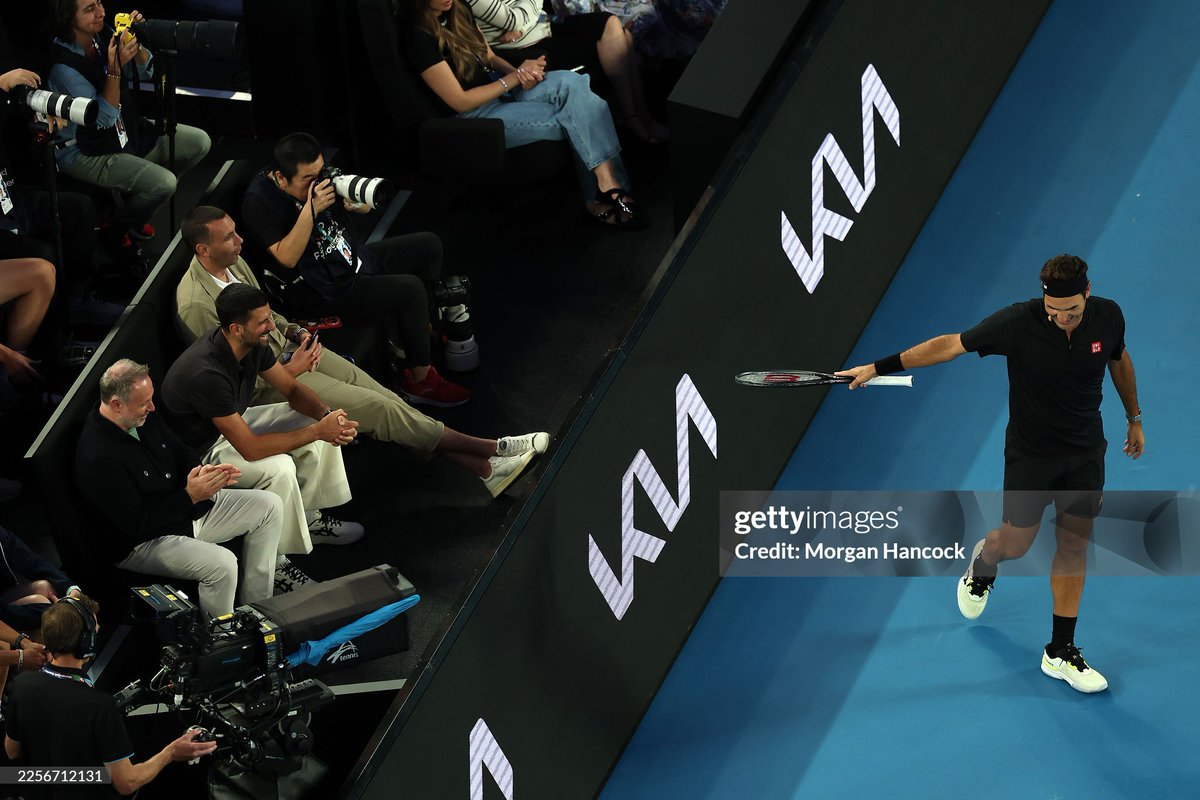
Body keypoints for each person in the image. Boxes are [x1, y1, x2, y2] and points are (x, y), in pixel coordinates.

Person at [839, 254, 1144, 694]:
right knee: (1015, 545)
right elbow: (950, 345)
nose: (1061, 318)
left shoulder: (1109, 316)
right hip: (1031, 457)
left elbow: (1118, 359)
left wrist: (1134, 417)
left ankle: (1060, 651)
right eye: (1053, 310)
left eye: (1072, 311)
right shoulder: (1017, 323)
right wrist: (878, 366)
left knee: (1074, 544)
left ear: (1088, 293)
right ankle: (983, 564)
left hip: (1084, 454)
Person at [177, 206, 550, 497]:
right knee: (380, 410)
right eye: (229, 237)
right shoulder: (196, 305)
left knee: (385, 397)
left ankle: (486, 470)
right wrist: (293, 369)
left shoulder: (233, 261)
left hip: (291, 353)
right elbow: (238, 384)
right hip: (270, 386)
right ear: (203, 249)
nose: (240, 240)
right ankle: (492, 449)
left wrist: (294, 330)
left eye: (236, 231)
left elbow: (265, 314)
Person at [240, 132, 470, 407]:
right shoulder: (259, 202)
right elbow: (286, 257)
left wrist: (355, 202)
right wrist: (311, 209)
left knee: (428, 245)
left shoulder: (312, 176)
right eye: (308, 179)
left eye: (320, 173)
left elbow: (357, 210)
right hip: (316, 289)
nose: (318, 183)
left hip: (344, 258)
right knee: (410, 290)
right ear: (280, 178)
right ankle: (420, 381)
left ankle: (413, 336)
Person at [160, 283, 368, 555]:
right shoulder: (205, 374)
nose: (271, 326)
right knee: (280, 468)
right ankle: (277, 559)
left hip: (231, 424)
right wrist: (319, 432)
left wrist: (328, 419)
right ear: (236, 329)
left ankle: (309, 519)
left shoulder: (252, 342)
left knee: (309, 416)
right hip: (200, 452)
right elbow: (251, 449)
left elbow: (291, 389)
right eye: (263, 322)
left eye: (269, 317)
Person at [398, 0, 642, 227]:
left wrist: (521, 74)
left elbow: (489, 56)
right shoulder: (419, 37)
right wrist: (512, 79)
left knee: (574, 84)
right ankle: (603, 195)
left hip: (500, 92)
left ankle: (605, 184)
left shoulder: (457, 8)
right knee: (575, 113)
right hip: (474, 118)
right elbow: (460, 102)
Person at [75, 359, 284, 615]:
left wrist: (201, 473)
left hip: (185, 507)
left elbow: (180, 449)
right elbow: (136, 523)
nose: (152, 407)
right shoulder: (97, 457)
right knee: (223, 565)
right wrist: (190, 496)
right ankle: (221, 633)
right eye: (144, 403)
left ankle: (258, 609)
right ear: (117, 405)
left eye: (150, 399)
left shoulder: (141, 415)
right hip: (144, 541)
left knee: (270, 505)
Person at [5, 595, 218, 797]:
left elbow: (12, 751)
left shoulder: (23, 684)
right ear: (86, 643)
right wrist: (171, 753)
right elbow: (126, 783)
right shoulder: (99, 706)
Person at [47, 2, 211, 249]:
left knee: (199, 142)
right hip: (82, 150)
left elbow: (147, 71)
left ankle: (135, 205)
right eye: (89, 9)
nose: (101, 12)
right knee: (164, 184)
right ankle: (114, 231)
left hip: (123, 130)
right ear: (68, 17)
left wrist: (137, 41)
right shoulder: (63, 68)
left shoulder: (102, 35)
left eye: (99, 3)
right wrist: (115, 68)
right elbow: (104, 118)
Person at [1, 66, 124, 328]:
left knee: (78, 208)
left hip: (10, 193)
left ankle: (78, 299)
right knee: (41, 256)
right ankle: (47, 335)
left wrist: (35, 110)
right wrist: (1, 84)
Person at [464, 0, 669, 142]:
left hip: (541, 26)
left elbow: (521, 18)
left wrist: (523, 23)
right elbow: (513, 20)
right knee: (617, 37)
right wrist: (523, 22)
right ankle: (633, 116)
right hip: (524, 46)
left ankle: (639, 115)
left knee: (615, 27)